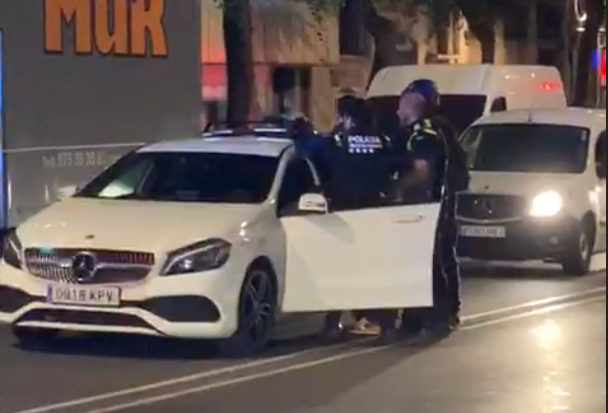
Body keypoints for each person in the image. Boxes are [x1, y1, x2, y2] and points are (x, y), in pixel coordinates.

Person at [396, 79, 470, 336]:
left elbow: (423, 171)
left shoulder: (427, 132)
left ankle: (439, 313)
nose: (398, 109)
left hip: (430, 207)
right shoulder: (433, 129)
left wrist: (396, 189)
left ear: (415, 102)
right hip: (432, 206)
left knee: (434, 258)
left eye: (402, 102)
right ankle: (426, 314)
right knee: (433, 258)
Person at [321, 96, 397, 339]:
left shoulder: (337, 140)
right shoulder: (382, 140)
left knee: (340, 270)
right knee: (378, 271)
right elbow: (398, 167)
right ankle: (387, 325)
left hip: (344, 215)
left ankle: (332, 324)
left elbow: (319, 161)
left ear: (346, 117)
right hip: (376, 213)